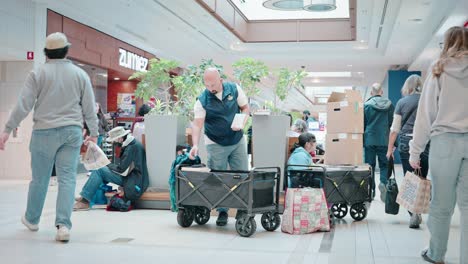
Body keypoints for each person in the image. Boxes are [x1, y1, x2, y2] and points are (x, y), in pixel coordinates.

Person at [0, 32, 98, 242]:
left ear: (46, 52)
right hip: (72, 132)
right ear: (66, 50)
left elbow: (23, 105)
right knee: (67, 178)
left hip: (43, 132)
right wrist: (94, 133)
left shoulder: (38, 73)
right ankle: (63, 225)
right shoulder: (80, 75)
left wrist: (8, 129)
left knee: (40, 179)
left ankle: (32, 219)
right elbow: (89, 107)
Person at [409, 26, 468, 264]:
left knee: (441, 204)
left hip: (444, 141)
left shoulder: (438, 69)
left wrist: (415, 150)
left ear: (446, 43)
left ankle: (436, 254)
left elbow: (426, 114)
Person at [189, 67, 250, 226]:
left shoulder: (234, 89)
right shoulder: (202, 100)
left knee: (242, 174)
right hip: (215, 143)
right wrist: (195, 144)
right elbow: (197, 125)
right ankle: (222, 211)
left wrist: (243, 120)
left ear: (220, 80)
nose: (210, 88)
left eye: (213, 85)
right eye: (207, 85)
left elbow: (245, 107)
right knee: (218, 178)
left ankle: (242, 209)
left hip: (237, 140)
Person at [386, 74, 429, 229]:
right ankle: (418, 209)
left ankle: (413, 213)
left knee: (410, 178)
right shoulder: (427, 100)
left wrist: (390, 149)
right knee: (422, 176)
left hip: (406, 142)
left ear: (407, 87)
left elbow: (394, 129)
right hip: (425, 142)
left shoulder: (402, 102)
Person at [74, 126, 149, 211]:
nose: (114, 142)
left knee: (99, 170)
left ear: (120, 138)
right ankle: (85, 196)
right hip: (133, 178)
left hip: (132, 181)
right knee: (100, 170)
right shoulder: (132, 144)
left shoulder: (131, 148)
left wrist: (107, 163)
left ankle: (85, 200)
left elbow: (122, 170)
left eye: (114, 140)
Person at [364, 82, 394, 202]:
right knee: (384, 165)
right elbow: (393, 125)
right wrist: (393, 144)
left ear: (371, 93)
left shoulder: (366, 105)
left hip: (369, 139)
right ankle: (383, 183)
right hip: (384, 140)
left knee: (370, 166)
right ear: (381, 92)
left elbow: (363, 124)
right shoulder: (390, 105)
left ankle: (371, 191)